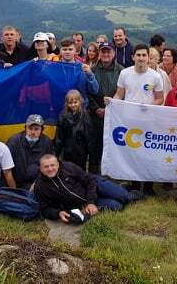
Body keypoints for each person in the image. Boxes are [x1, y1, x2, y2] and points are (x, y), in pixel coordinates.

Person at [109, 44, 164, 195]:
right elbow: (119, 94)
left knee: (148, 152)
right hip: (129, 120)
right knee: (132, 152)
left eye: (144, 55)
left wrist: (150, 106)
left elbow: (160, 98)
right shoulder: (125, 73)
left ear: (148, 57)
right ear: (133, 57)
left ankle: (148, 186)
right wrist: (112, 103)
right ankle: (134, 184)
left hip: (148, 121)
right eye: (138, 55)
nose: (141, 58)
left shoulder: (155, 76)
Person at [34, 155, 140, 223]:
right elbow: (45, 209)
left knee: (124, 197)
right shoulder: (39, 186)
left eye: (52, 165)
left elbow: (89, 181)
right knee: (117, 206)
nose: (50, 169)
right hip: (84, 204)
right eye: (46, 166)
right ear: (41, 168)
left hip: (95, 185)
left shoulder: (69, 167)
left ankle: (131, 194)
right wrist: (58, 213)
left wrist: (91, 202)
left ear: (58, 164)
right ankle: (120, 189)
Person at [88, 42, 123, 174]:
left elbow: (123, 92)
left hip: (114, 115)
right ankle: (93, 174)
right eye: (103, 51)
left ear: (114, 53)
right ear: (99, 53)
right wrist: (96, 108)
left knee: (112, 146)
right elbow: (87, 92)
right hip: (95, 115)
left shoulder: (121, 71)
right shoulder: (92, 70)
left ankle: (111, 173)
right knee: (95, 146)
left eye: (109, 51)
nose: (106, 54)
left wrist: (110, 109)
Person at [6, 114, 55, 189]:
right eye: (30, 128)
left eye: (36, 129)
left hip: (36, 183)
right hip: (14, 183)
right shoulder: (13, 142)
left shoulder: (47, 143)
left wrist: (37, 184)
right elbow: (6, 169)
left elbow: (50, 167)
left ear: (42, 130)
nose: (33, 132)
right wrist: (13, 188)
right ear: (25, 128)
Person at [55, 90, 95, 171]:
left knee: (80, 171)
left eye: (75, 102)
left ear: (80, 101)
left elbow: (89, 137)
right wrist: (56, 155)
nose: (73, 105)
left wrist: (91, 156)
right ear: (67, 103)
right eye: (70, 103)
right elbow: (59, 138)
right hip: (67, 151)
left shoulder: (86, 115)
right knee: (67, 171)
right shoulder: (62, 116)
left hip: (81, 152)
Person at [59, 38, 100, 107]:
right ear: (61, 51)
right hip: (61, 107)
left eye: (70, 49)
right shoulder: (56, 67)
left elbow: (94, 90)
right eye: (64, 49)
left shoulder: (83, 68)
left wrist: (90, 75)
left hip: (81, 108)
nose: (67, 52)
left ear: (75, 50)